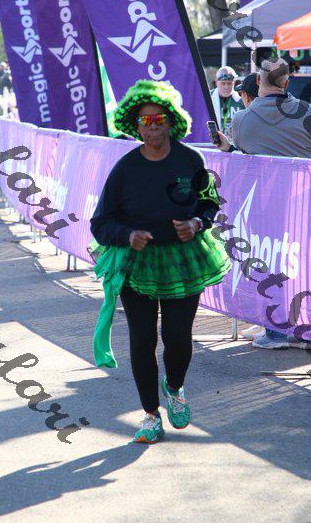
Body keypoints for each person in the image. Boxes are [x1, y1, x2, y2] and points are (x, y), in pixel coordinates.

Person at [90, 79, 231, 443]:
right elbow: (100, 223)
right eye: (145, 121)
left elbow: (210, 202)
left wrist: (197, 223)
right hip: (137, 263)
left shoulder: (191, 160)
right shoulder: (125, 169)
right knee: (142, 340)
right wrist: (128, 235)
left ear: (172, 122)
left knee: (178, 339)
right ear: (135, 126)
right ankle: (151, 415)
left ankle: (175, 386)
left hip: (184, 260)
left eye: (159, 119)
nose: (152, 126)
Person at [216, 57, 311, 349]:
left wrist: (229, 148)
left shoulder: (241, 120)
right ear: (287, 82)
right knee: (307, 266)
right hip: (308, 206)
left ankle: (275, 333)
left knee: (270, 265)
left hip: (264, 209)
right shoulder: (309, 112)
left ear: (258, 81)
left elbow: (245, 158)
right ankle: (306, 330)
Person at [210, 66, 243, 139]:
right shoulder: (208, 98)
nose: (226, 87)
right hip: (211, 142)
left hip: (234, 142)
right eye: (223, 83)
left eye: (229, 83)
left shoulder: (241, 100)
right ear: (216, 82)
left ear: (234, 82)